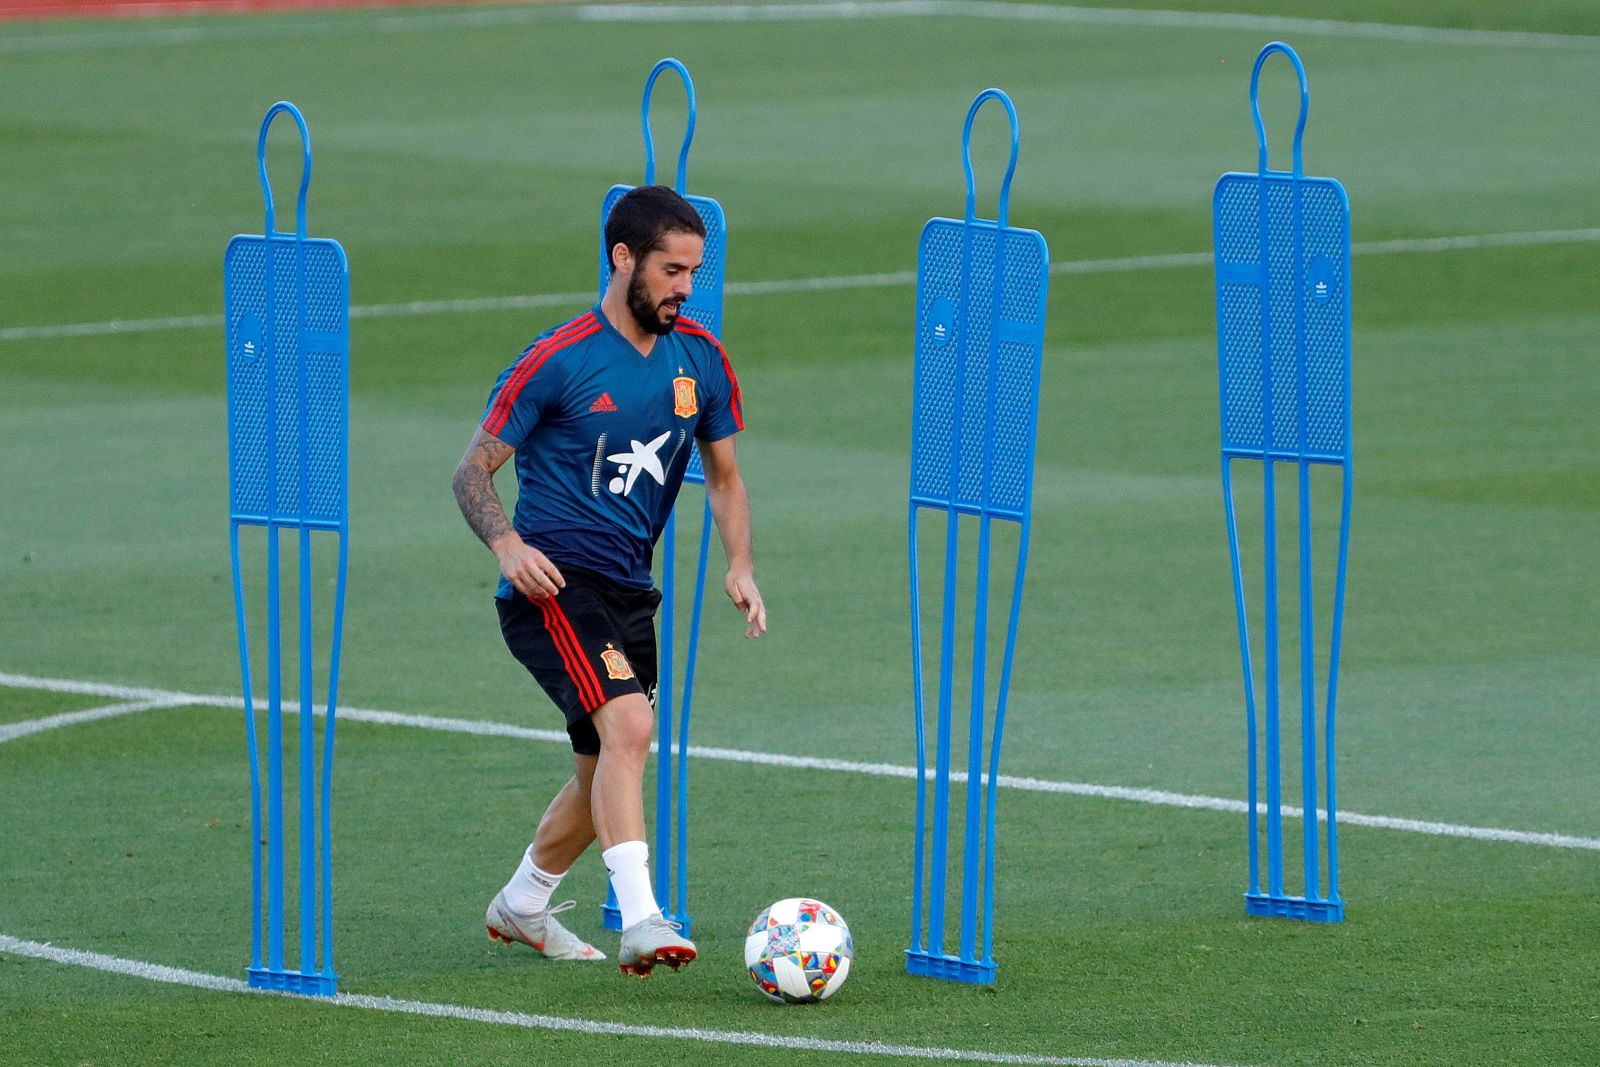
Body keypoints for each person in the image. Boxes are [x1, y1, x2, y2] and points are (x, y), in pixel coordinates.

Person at [452, 185, 765, 978]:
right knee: (629, 728)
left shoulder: (701, 357)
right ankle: (642, 916)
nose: (685, 287)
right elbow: (472, 472)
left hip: (631, 591)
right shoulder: (558, 359)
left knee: (603, 770)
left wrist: (740, 563)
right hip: (553, 584)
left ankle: (523, 901)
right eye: (670, 268)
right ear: (622, 257)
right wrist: (507, 545)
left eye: (694, 271)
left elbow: (723, 476)